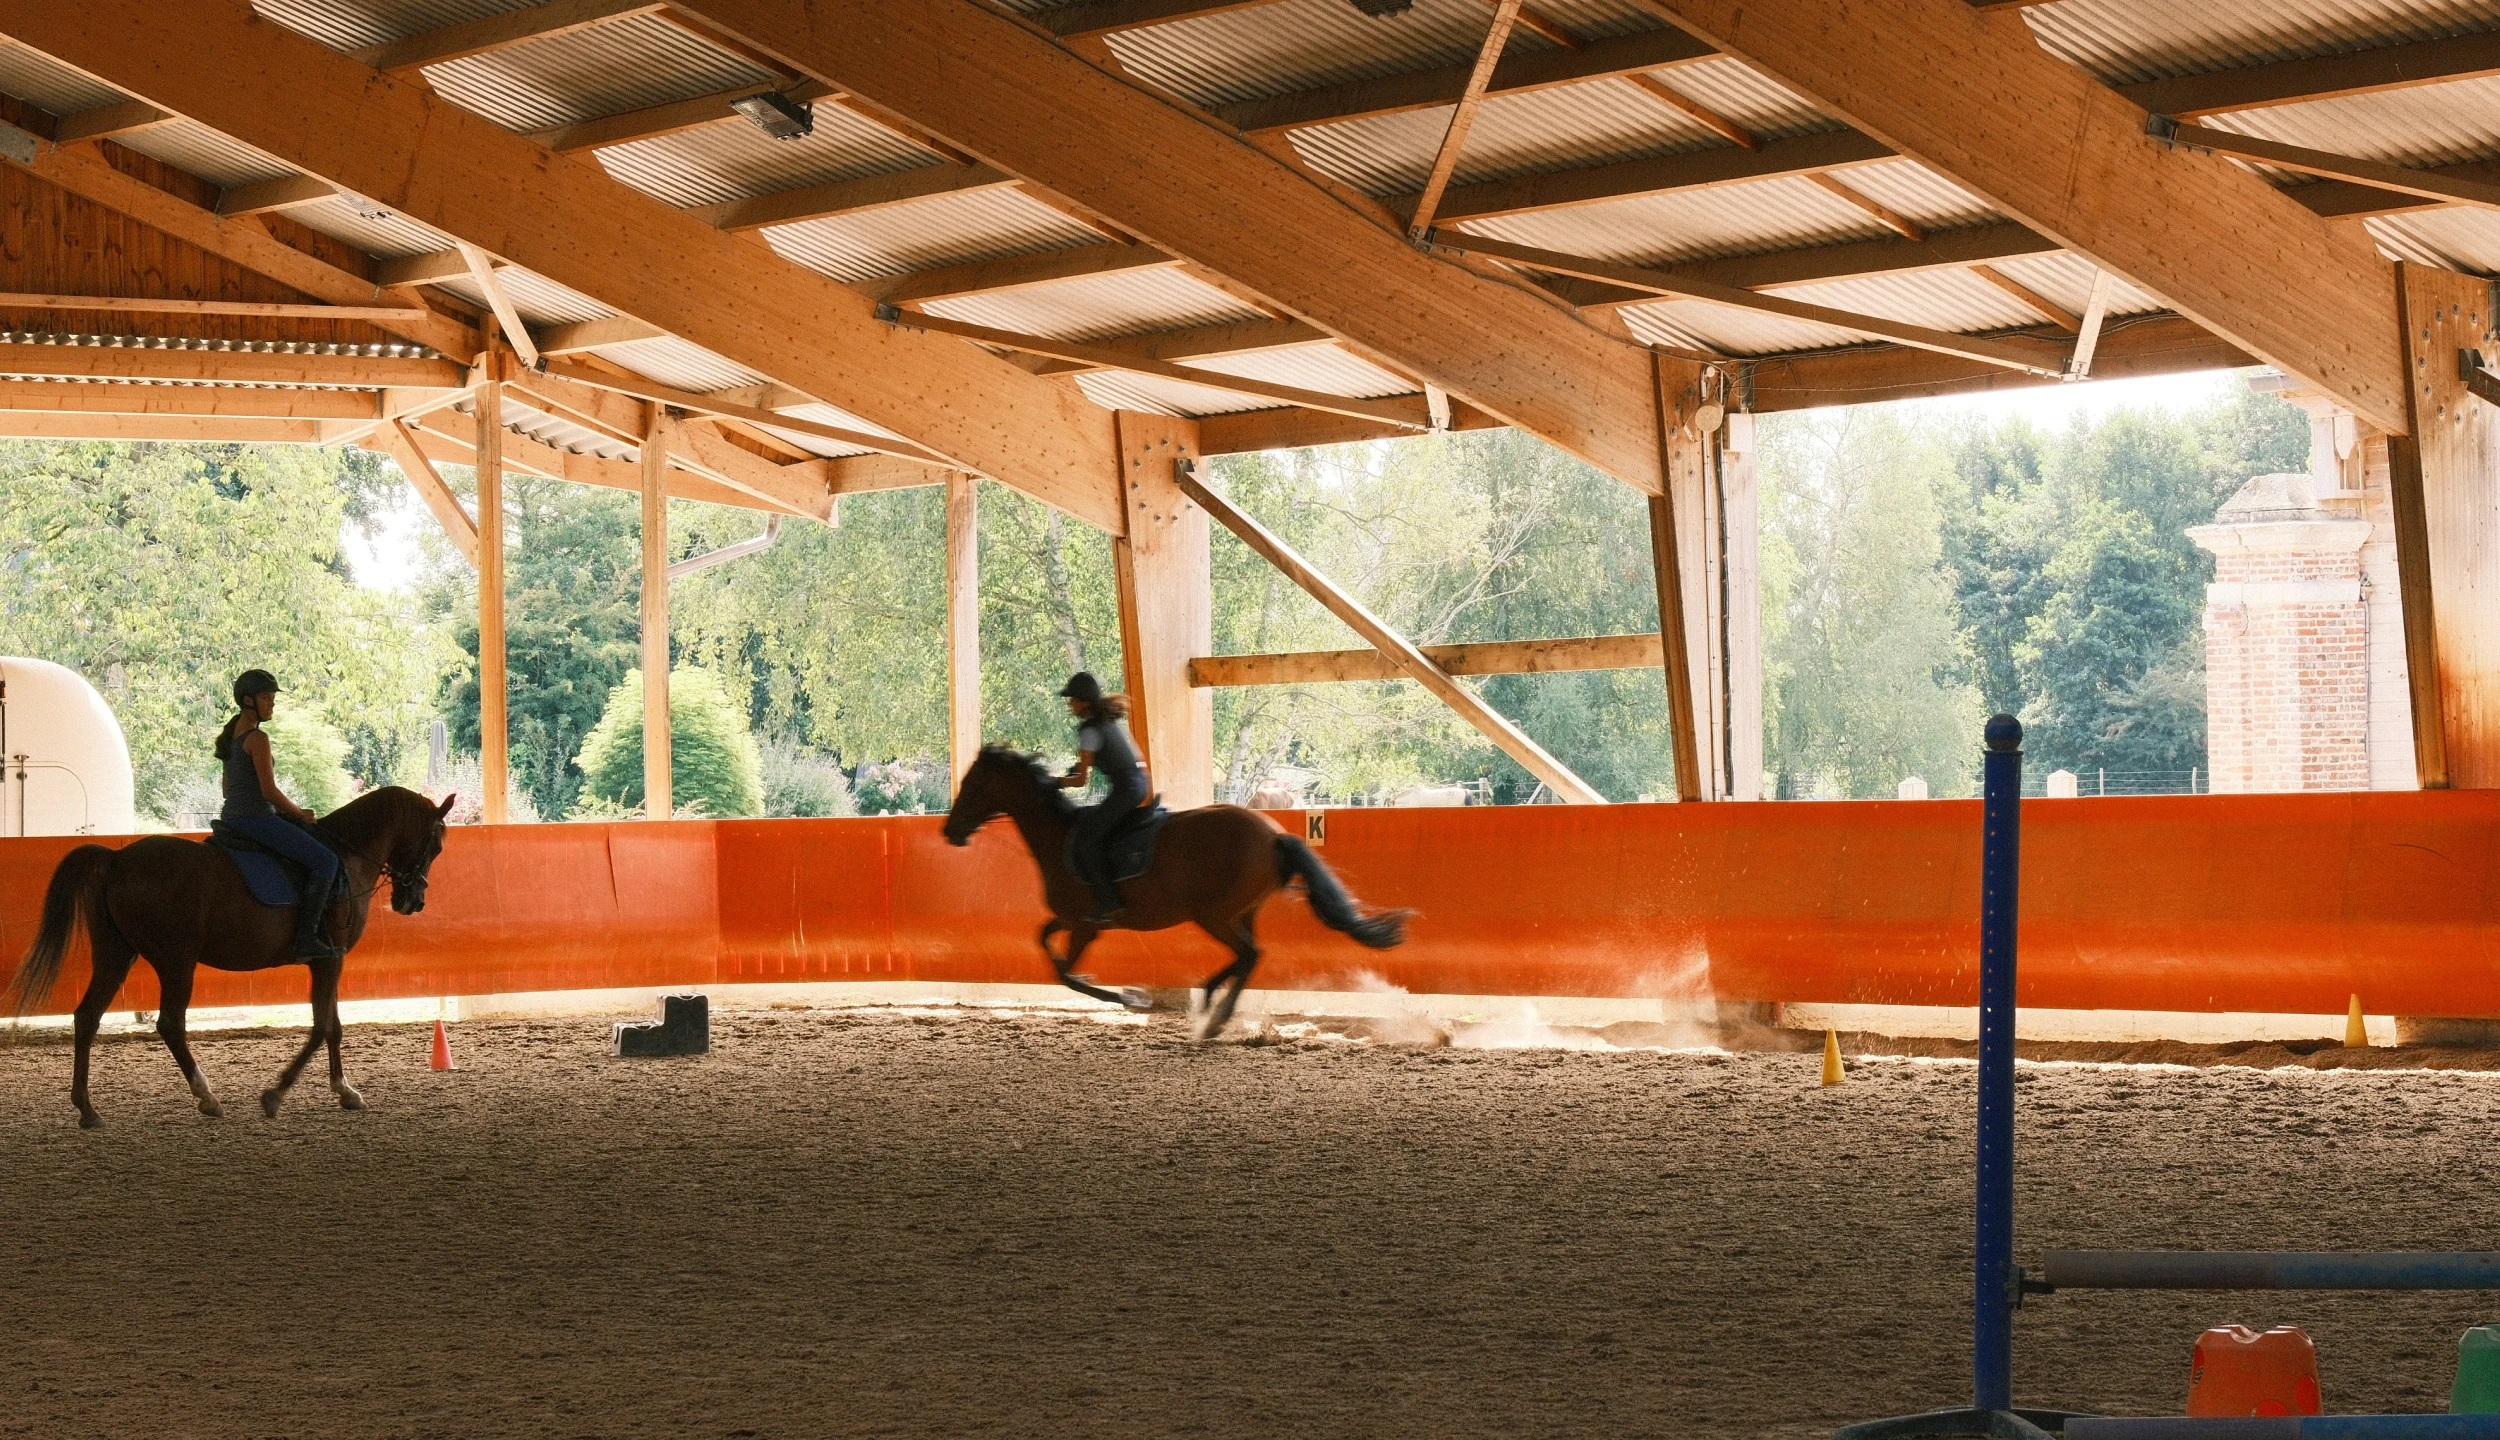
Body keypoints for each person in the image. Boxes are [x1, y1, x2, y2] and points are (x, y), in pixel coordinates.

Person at [214, 670, 342, 959]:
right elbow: (269, 791)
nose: (271, 704)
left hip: (231, 818)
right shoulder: (257, 738)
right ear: (248, 701)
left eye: (272, 698)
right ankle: (306, 939)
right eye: (265, 697)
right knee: (327, 861)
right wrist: (300, 814)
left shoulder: (231, 737)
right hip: (256, 819)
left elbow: (226, 790)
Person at [1058, 671, 1149, 923]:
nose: (1070, 704)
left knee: (1086, 840)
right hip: (1140, 782)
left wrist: (1055, 782)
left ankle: (1108, 901)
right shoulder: (1109, 720)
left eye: (1073, 700)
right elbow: (1101, 759)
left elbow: (1081, 781)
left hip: (1126, 790)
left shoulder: (1088, 730)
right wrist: (1076, 768)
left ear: (1085, 702)